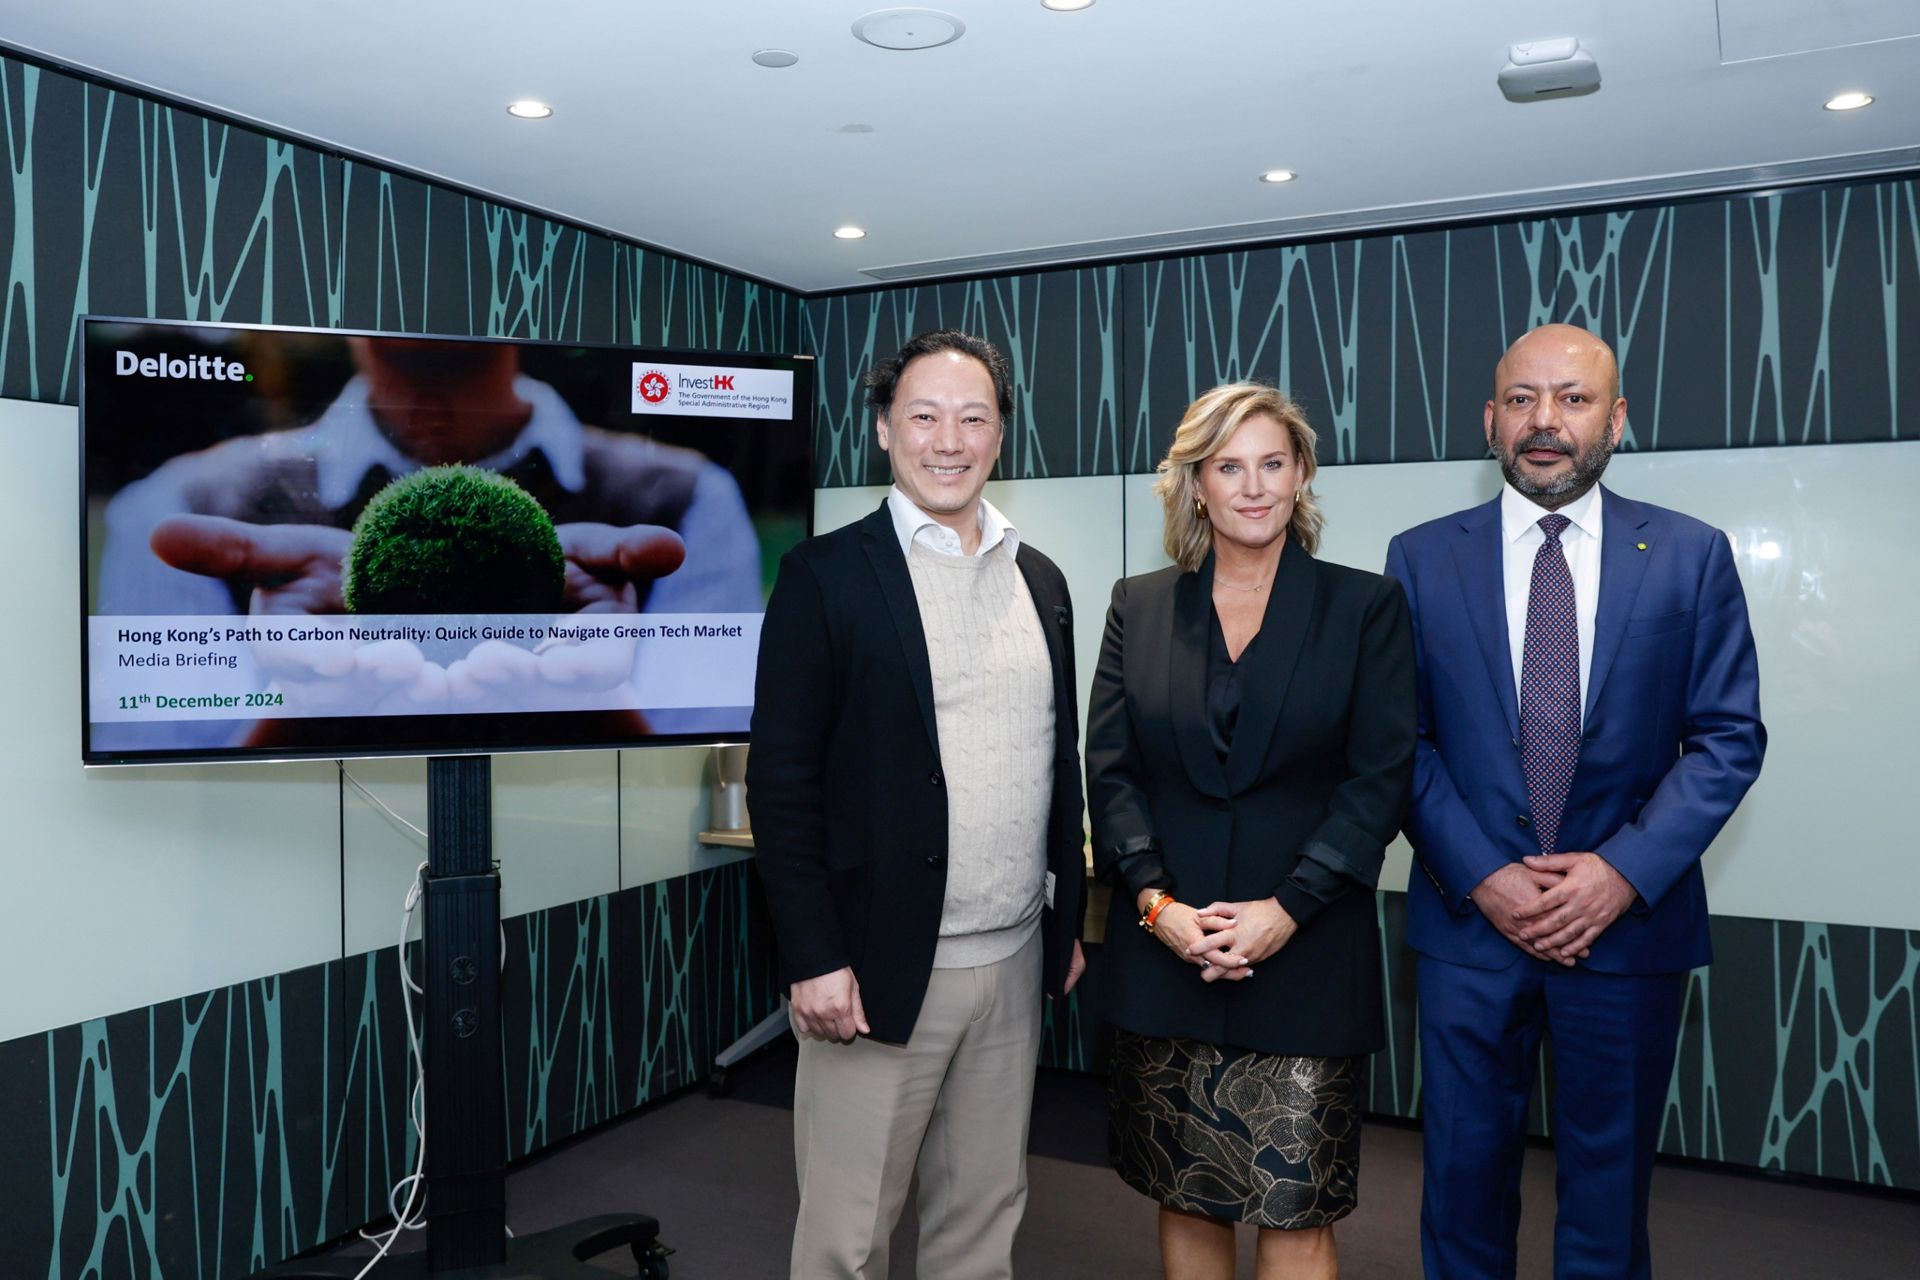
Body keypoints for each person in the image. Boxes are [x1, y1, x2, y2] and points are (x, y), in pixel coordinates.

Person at [1384, 323, 1766, 1279]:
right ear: (1489, 418)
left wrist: (1620, 873)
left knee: (1608, 1198)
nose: (1544, 421)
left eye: (1573, 398)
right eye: (1521, 400)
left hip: (1628, 936)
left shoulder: (1689, 554)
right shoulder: (1422, 558)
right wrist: (1486, 878)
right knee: (1461, 1191)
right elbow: (1400, 743)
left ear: (1617, 417)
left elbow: (1727, 740)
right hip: (1471, 934)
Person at [746, 329, 1088, 1279]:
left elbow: (1056, 761)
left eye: (973, 417)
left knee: (984, 1225)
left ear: (1001, 436)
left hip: (1016, 958)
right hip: (877, 968)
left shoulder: (1041, 579)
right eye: (925, 415)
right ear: (886, 431)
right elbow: (782, 778)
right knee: (847, 1237)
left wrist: (1063, 930)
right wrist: (814, 956)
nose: (949, 439)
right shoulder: (826, 576)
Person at [1086, 382, 1415, 1280]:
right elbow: (1111, 774)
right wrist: (1158, 908)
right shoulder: (1139, 604)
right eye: (1229, 467)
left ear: (1302, 474)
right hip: (1170, 953)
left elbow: (1379, 779)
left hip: (1306, 952)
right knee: (1185, 1193)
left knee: (1296, 1205)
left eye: (1273, 463)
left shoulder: (1365, 607)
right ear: (1197, 484)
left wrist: (1287, 909)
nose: (1254, 485)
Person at [95, 335, 760, 747]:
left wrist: (596, 711)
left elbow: (710, 767)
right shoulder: (175, 505)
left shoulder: (689, 498)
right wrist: (299, 714)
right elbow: (173, 798)